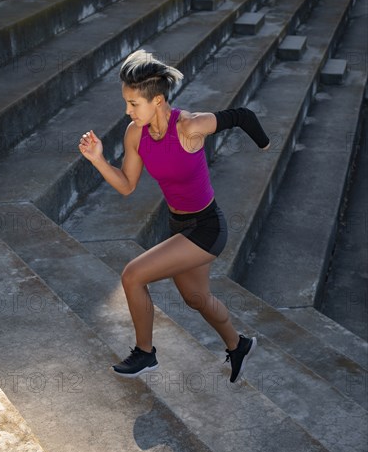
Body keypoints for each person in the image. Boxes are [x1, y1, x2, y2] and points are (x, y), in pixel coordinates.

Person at [78, 50, 270, 383]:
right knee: (196, 298)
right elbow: (126, 185)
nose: (127, 110)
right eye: (126, 103)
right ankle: (239, 345)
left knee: (132, 275)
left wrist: (264, 144)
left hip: (208, 227)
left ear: (158, 100)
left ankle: (145, 353)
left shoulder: (190, 127)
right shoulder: (135, 134)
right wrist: (97, 159)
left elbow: (241, 115)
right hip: (179, 227)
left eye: (133, 103)